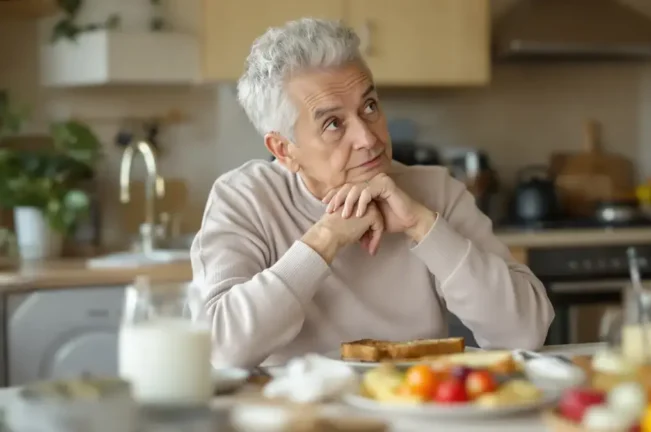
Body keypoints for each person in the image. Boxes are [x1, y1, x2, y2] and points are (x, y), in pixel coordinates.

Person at [190, 18, 554, 369]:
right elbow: (219, 350)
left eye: (369, 107)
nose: (368, 138)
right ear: (284, 150)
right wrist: (326, 239)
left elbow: (525, 333)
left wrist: (423, 226)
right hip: (298, 406)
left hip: (414, 399)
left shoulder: (434, 190)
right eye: (333, 123)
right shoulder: (244, 198)